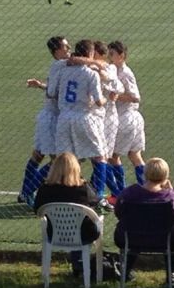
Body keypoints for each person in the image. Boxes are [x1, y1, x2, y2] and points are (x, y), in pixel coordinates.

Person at [47, 40, 108, 202]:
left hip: (64, 118)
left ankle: (64, 193)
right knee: (99, 157)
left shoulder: (63, 71)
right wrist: (106, 99)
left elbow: (52, 92)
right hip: (84, 117)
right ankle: (99, 196)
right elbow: (98, 101)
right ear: (89, 54)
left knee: (64, 159)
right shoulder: (91, 74)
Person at [19, 36, 72, 207]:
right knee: (56, 160)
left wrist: (40, 85)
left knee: (38, 155)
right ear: (57, 50)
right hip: (52, 119)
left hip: (48, 116)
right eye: (65, 46)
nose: (69, 47)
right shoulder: (60, 65)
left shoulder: (59, 65)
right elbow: (52, 92)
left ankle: (24, 192)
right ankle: (28, 191)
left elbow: (50, 88)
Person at [114, 157, 174, 282]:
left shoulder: (129, 193)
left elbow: (118, 211)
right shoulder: (169, 196)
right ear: (165, 176)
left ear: (145, 173)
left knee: (131, 230)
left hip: (131, 238)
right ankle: (171, 273)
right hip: (163, 240)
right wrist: (172, 191)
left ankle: (126, 271)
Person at [33, 152, 100, 277]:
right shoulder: (84, 189)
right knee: (84, 224)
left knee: (80, 225)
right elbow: (95, 203)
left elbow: (37, 210)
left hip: (54, 233)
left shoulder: (45, 189)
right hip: (83, 235)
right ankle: (79, 264)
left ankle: (77, 265)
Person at [107, 41, 146, 195]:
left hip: (125, 118)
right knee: (135, 155)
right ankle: (146, 189)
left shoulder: (124, 73)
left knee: (112, 157)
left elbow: (135, 97)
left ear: (121, 56)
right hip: (133, 119)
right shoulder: (116, 70)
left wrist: (115, 97)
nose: (109, 58)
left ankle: (120, 193)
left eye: (112, 54)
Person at [93, 41, 124, 201]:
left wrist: (113, 92)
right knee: (98, 157)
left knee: (103, 157)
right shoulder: (89, 68)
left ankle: (117, 193)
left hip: (109, 119)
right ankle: (114, 192)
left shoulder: (109, 67)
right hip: (96, 118)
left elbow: (119, 87)